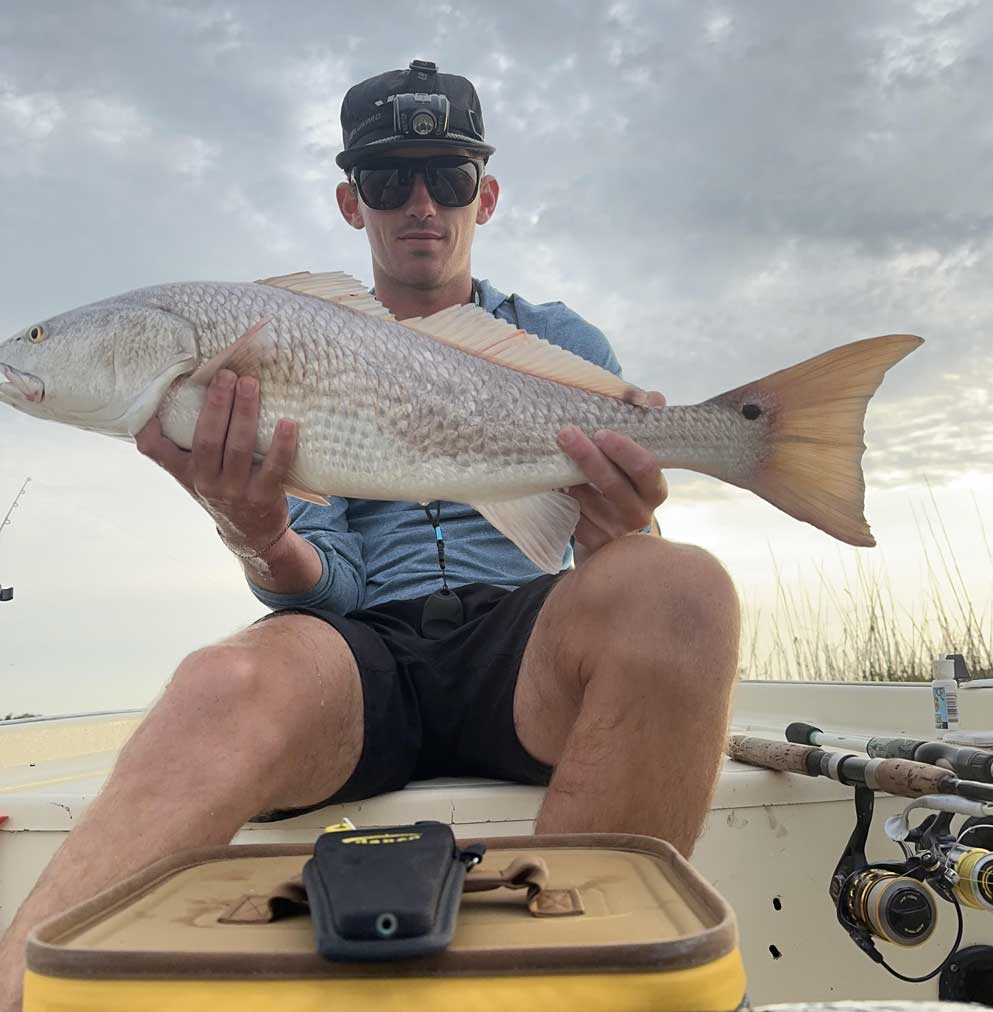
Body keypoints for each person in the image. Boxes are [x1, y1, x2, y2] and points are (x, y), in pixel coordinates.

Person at [0, 59, 739, 1008]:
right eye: (390, 180)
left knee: (681, 588)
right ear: (353, 203)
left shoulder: (565, 344)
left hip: (524, 639)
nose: (421, 203)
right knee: (220, 678)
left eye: (450, 175)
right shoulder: (287, 342)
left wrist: (618, 531)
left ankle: (573, 989)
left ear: (488, 193)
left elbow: (590, 548)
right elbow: (332, 579)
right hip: (366, 655)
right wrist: (257, 531)